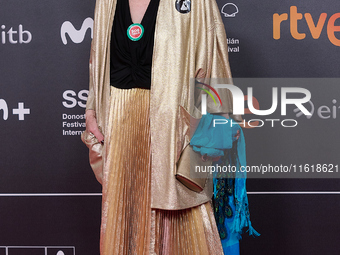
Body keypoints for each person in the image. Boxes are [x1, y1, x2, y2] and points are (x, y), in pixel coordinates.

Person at [82, 0, 238, 253]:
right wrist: (91, 110)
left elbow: (215, 63)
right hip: (120, 126)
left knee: (178, 220)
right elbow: (98, 61)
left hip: (174, 130)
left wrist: (210, 130)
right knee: (124, 220)